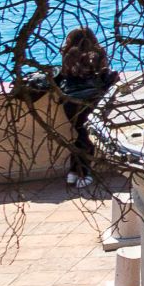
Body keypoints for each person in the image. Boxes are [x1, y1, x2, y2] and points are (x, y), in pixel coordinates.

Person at [50, 28, 115, 186]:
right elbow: (102, 75)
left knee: (80, 134)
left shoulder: (68, 56)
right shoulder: (97, 54)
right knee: (88, 137)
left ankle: (74, 172)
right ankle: (83, 174)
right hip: (90, 101)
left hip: (70, 102)